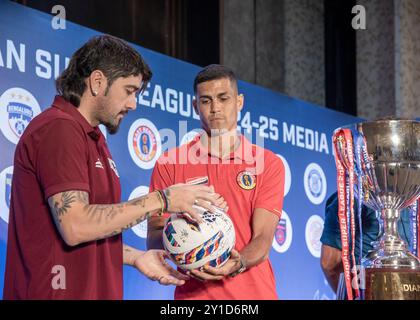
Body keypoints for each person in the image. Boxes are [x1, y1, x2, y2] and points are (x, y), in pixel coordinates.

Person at [3, 35, 226, 300]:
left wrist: (136, 258)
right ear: (98, 82)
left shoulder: (94, 139)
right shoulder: (59, 128)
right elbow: (75, 226)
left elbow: (83, 233)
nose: (133, 104)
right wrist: (163, 200)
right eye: (129, 91)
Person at [147, 64, 285, 300]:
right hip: (193, 297)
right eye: (206, 101)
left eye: (224, 98)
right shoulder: (169, 163)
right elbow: (154, 237)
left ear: (239, 102)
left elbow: (263, 238)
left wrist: (238, 262)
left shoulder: (268, 163)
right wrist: (184, 230)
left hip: (254, 295)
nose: (215, 108)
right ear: (195, 106)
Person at [320, 191, 415, 297]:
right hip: (367, 291)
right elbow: (330, 264)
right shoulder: (354, 193)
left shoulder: (412, 196)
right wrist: (357, 296)